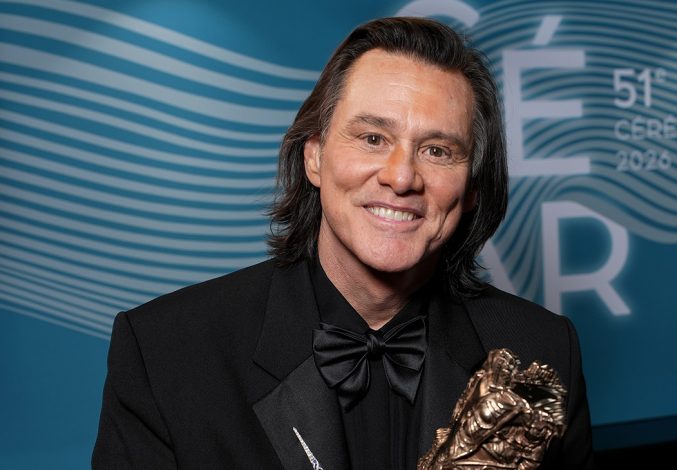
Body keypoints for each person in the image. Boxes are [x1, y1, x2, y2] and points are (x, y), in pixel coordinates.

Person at [92, 17, 594, 470]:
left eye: (437, 150)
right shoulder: (166, 352)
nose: (401, 178)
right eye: (373, 138)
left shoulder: (543, 350)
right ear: (314, 157)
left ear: (470, 192)